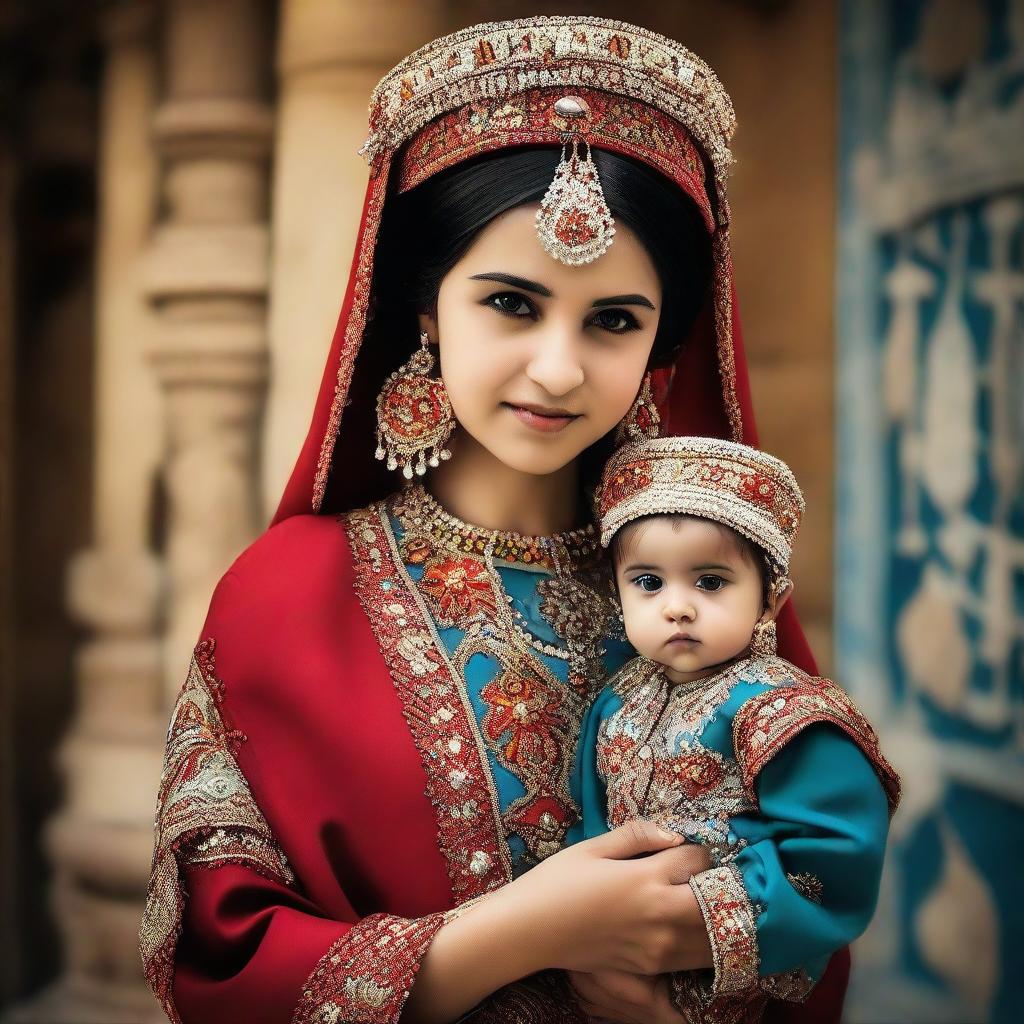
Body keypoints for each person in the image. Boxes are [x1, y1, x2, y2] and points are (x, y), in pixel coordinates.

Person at [140, 15, 859, 1024]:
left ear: (660, 345)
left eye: (613, 320)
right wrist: (530, 928)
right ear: (425, 308)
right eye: (512, 304)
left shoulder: (706, 591)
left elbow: (819, 908)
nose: (559, 368)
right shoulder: (284, 594)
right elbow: (220, 962)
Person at [571, 436, 901, 1022]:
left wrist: (691, 925)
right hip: (611, 956)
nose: (677, 606)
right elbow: (591, 825)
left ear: (771, 599)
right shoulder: (616, 700)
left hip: (731, 978)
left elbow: (834, 859)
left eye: (711, 582)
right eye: (649, 582)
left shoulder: (784, 712)